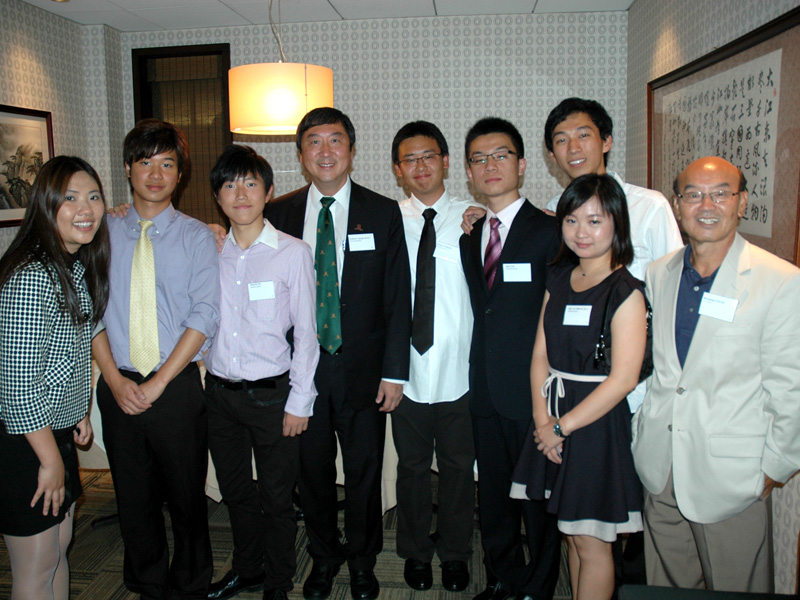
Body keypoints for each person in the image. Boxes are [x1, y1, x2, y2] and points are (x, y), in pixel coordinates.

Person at [632, 156, 800, 593]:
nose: (707, 205)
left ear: (741, 202)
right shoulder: (660, 272)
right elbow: (661, 370)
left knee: (735, 588)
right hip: (660, 466)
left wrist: (773, 469)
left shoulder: (780, 281)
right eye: (693, 194)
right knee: (667, 586)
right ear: (678, 204)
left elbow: (792, 387)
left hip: (732, 476)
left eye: (721, 193)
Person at [264, 107, 411, 600]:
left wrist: (394, 372)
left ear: (351, 148)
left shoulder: (382, 211)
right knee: (312, 474)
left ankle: (364, 561)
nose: (325, 152)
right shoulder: (278, 214)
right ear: (301, 154)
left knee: (366, 471)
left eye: (335, 141)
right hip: (300, 374)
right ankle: (324, 559)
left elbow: (397, 298)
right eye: (313, 143)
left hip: (365, 373)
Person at [92, 119, 220, 599]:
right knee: (133, 496)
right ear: (128, 168)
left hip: (176, 386)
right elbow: (90, 312)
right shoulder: (102, 230)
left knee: (188, 497)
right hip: (117, 382)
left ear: (180, 174)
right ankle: (146, 582)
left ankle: (190, 585)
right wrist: (114, 379)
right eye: (145, 161)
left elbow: (205, 313)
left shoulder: (197, 236)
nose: (155, 173)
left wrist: (160, 382)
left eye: (167, 163)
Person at [511, 173, 646, 600]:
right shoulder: (559, 278)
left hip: (594, 426)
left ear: (616, 225)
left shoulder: (626, 291)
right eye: (571, 221)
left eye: (594, 221)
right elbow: (538, 355)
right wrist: (541, 419)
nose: (581, 232)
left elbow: (623, 378)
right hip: (553, 415)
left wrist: (561, 427)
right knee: (571, 534)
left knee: (592, 540)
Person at [203, 145, 319, 600]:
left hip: (273, 398)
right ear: (218, 196)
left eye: (251, 183)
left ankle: (278, 583)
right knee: (235, 493)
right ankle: (247, 569)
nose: (240, 193)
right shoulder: (209, 250)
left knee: (276, 499)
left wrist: (299, 401)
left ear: (268, 192)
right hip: (220, 395)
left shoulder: (293, 253)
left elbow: (308, 334)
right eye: (229, 184)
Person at [459, 117, 561, 600]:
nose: (490, 165)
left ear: (522, 165)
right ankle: (503, 577)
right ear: (468, 171)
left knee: (539, 501)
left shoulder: (552, 231)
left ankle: (538, 587)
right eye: (479, 158)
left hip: (533, 394)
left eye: (501, 155)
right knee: (495, 498)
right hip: (484, 389)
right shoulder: (470, 236)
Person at [0, 156, 110, 600]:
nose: (86, 209)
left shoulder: (72, 266)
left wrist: (77, 410)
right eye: (70, 198)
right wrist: (50, 460)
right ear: (46, 205)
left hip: (53, 431)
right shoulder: (31, 278)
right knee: (36, 564)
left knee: (59, 548)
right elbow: (18, 389)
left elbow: (69, 352)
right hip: (26, 444)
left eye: (94, 197)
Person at [391, 121, 477, 592]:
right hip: (405, 373)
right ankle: (415, 552)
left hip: (459, 370)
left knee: (461, 470)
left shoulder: (475, 217)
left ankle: (457, 553)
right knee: (411, 469)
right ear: (397, 170)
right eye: (410, 160)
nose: (420, 167)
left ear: (446, 161)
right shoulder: (387, 220)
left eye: (429, 157)